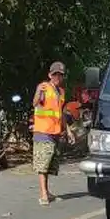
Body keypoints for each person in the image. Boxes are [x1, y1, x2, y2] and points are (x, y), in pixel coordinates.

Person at [33, 61, 76, 205]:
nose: (58, 77)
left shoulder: (61, 92)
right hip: (43, 131)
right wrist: (39, 92)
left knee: (50, 163)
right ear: (49, 75)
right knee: (43, 163)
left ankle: (47, 191)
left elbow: (61, 113)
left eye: (60, 75)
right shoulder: (44, 87)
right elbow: (34, 103)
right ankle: (43, 194)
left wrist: (68, 131)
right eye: (55, 74)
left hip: (55, 131)